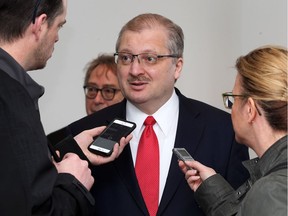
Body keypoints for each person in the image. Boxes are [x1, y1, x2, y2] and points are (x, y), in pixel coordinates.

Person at [55, 13, 250, 216]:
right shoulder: (82, 134)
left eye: (150, 58)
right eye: (126, 58)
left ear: (178, 67)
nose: (135, 69)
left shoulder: (224, 131)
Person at [0, 0, 130, 215]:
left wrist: (72, 152)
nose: (58, 37)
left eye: (108, 91)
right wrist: (72, 183)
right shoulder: (13, 100)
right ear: (40, 24)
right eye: (59, 25)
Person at [179, 45, 287, 216]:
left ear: (250, 109)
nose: (231, 108)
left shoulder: (271, 190)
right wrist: (212, 190)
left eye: (232, 99)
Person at [47, 54, 124, 144]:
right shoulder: (57, 141)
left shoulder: (136, 139)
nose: (97, 100)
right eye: (92, 89)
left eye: (108, 91)